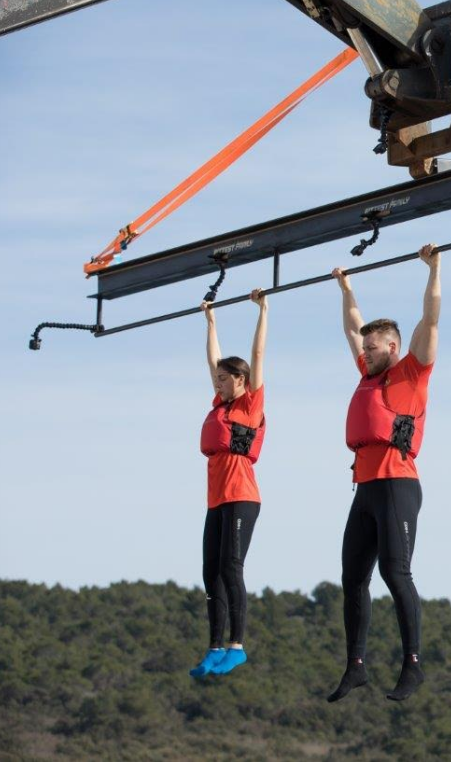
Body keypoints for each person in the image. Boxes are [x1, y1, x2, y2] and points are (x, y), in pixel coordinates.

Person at [326, 245, 440, 704]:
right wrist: (346, 286)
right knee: (352, 578)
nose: (364, 353)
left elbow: (430, 319)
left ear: (392, 347)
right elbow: (353, 326)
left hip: (397, 485)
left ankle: (412, 665)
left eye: (372, 348)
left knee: (397, 573)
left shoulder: (412, 371)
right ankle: (356, 665)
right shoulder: (368, 373)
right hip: (366, 488)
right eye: (364, 348)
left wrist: (433, 270)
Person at [190, 289, 268, 679]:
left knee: (231, 567)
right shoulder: (218, 405)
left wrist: (262, 311)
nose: (218, 383)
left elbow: (256, 358)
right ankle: (214, 645)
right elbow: (211, 359)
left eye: (224, 379)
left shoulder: (249, 403)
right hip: (216, 498)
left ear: (240, 381)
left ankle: (237, 646)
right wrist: (211, 322)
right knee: (211, 571)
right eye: (216, 379)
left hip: (241, 497)